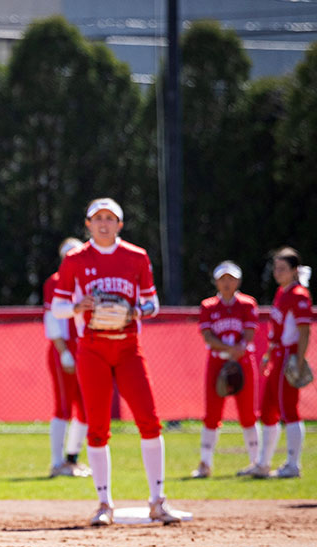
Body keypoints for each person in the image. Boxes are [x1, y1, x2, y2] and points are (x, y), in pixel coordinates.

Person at [52, 198, 181, 526]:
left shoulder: (136, 256)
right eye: (98, 218)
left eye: (110, 218)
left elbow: (153, 303)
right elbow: (58, 307)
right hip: (92, 349)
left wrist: (134, 312)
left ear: (120, 224)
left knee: (149, 421)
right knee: (97, 428)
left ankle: (157, 501)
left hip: (127, 348)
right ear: (88, 224)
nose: (104, 223)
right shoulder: (75, 259)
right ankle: (104, 503)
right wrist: (78, 306)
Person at [239, 247, 312, 479]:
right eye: (276, 268)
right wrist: (269, 354)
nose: (277, 273)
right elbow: (277, 329)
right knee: (268, 410)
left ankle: (293, 464)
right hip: (278, 355)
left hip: (289, 356)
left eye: (283, 268)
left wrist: (299, 361)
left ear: (294, 270)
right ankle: (263, 463)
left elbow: (304, 332)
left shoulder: (299, 294)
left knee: (289, 410)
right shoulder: (283, 293)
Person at [195, 261, 260, 478]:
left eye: (231, 278)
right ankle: (205, 464)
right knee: (212, 414)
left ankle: (256, 462)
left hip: (242, 361)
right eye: (222, 278)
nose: (226, 283)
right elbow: (208, 337)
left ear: (238, 281)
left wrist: (237, 351)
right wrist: (230, 349)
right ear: (216, 281)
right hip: (217, 361)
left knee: (248, 413)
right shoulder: (208, 305)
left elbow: (249, 334)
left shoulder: (247, 303)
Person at [43, 237, 91, 477]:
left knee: (85, 408)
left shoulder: (86, 280)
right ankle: (56, 462)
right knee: (63, 406)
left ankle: (72, 459)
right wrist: (63, 352)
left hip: (87, 350)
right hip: (65, 351)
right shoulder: (55, 281)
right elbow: (53, 319)